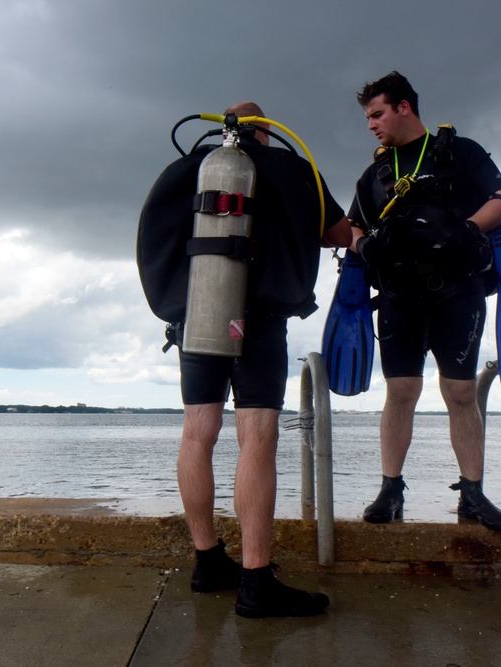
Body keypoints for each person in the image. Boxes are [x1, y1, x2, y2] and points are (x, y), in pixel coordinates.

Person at [144, 101, 353, 618]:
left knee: (198, 432)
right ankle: (257, 581)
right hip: (258, 319)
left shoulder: (188, 170)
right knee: (256, 436)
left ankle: (207, 561)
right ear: (266, 132)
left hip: (196, 315)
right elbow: (340, 234)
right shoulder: (291, 167)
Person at [346, 72, 501, 532]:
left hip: (457, 290)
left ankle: (473, 494)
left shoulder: (461, 153)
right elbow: (354, 225)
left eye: (377, 113)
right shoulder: (375, 173)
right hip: (400, 296)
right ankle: (391, 488)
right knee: (400, 391)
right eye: (367, 117)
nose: (370, 125)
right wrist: (363, 247)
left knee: (460, 392)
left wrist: (466, 230)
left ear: (404, 107)